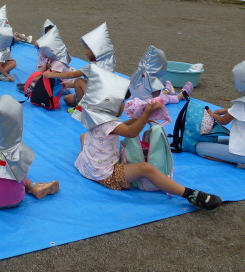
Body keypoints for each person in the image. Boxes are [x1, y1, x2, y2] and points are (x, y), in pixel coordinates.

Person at [73, 64, 223, 211]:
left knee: (85, 136)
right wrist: (145, 115)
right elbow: (130, 132)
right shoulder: (109, 123)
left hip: (86, 165)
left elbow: (118, 127)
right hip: (106, 174)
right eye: (121, 103)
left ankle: (90, 161)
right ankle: (190, 194)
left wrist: (141, 117)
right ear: (110, 104)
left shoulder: (93, 113)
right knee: (146, 169)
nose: (124, 106)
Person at [198, 48, 245, 170]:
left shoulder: (242, 105)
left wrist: (211, 113)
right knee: (216, 140)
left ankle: (244, 164)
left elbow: (223, 121)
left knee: (200, 148)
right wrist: (227, 110)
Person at [43, 22, 117, 106]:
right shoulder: (106, 65)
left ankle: (83, 107)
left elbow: (73, 74)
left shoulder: (93, 67)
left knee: (79, 81)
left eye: (88, 48)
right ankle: (83, 103)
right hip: (102, 97)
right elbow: (91, 84)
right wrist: (70, 85)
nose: (86, 51)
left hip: (96, 99)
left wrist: (52, 75)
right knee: (67, 99)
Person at [124, 45, 193, 127]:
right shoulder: (153, 79)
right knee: (167, 98)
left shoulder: (137, 75)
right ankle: (182, 94)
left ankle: (168, 90)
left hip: (134, 99)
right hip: (147, 103)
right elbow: (156, 94)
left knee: (156, 94)